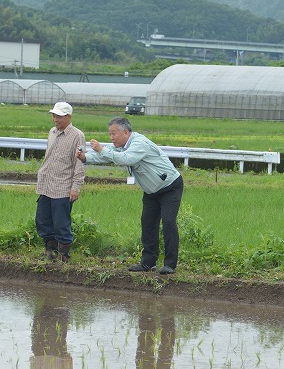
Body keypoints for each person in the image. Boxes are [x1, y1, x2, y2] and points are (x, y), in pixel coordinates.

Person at [77, 117, 183, 274]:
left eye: (114, 134)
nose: (111, 138)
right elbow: (107, 155)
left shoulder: (139, 143)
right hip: (151, 191)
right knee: (147, 224)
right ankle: (148, 263)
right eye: (110, 134)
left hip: (169, 187)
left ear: (125, 132)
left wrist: (100, 149)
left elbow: (126, 159)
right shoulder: (122, 146)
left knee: (168, 222)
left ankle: (170, 264)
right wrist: (85, 157)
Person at [36, 102, 85, 262]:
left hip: (63, 186)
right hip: (46, 184)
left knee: (61, 222)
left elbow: (79, 163)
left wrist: (75, 187)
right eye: (54, 115)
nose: (55, 119)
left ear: (68, 117)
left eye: (59, 116)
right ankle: (50, 252)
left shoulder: (77, 135)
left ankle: (64, 256)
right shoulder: (52, 132)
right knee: (42, 219)